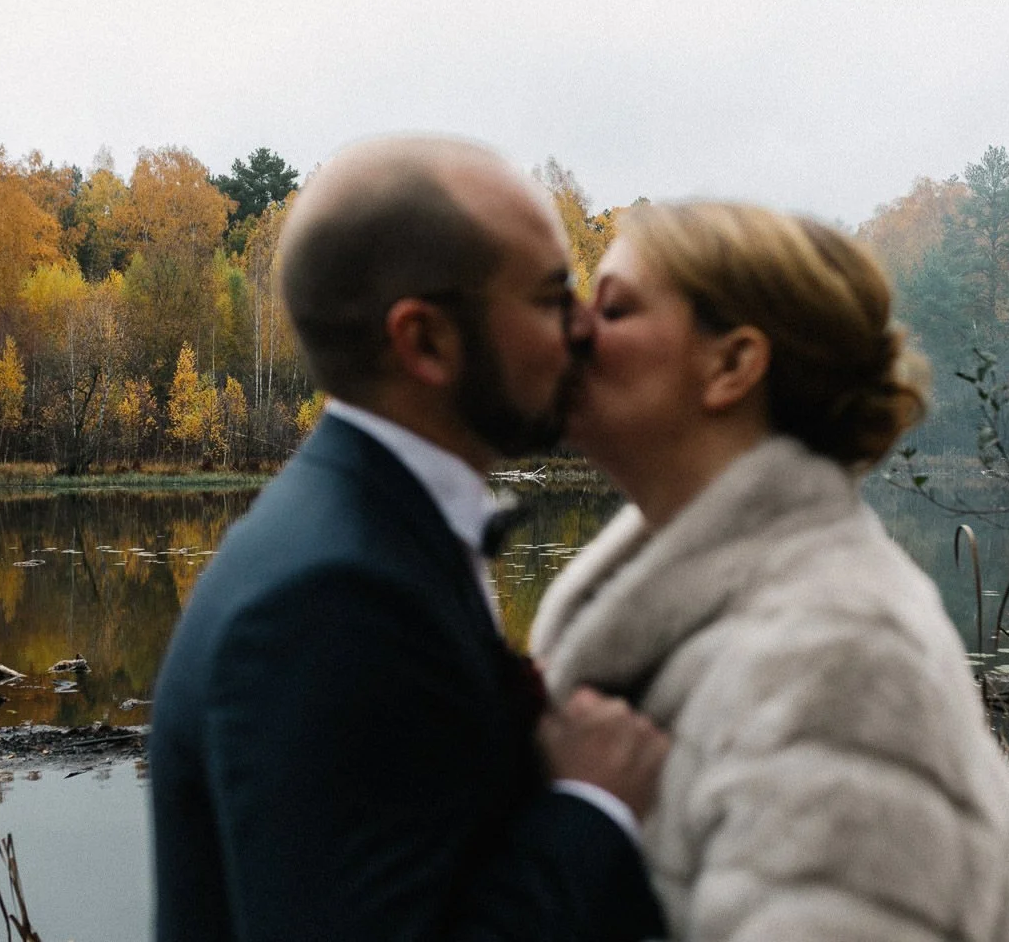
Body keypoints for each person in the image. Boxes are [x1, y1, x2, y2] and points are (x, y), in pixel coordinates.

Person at [149, 136, 668, 942]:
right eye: (549, 296)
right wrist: (591, 808)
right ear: (424, 342)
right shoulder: (326, 598)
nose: (582, 330)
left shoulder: (373, 535)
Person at [531, 202, 1009, 941]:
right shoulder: (738, 618)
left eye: (615, 309)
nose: (572, 331)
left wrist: (579, 815)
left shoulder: (843, 657)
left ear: (731, 365)